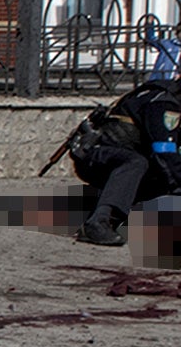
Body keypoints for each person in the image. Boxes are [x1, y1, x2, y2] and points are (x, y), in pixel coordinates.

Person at [69, 79, 181, 245]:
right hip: (96, 156)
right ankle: (98, 222)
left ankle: (115, 208)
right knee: (137, 162)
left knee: (159, 172)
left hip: (116, 157)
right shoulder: (163, 104)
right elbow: (165, 153)